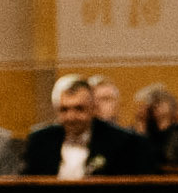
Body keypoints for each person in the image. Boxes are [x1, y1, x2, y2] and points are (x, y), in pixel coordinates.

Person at [24, 74, 152, 176]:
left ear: (93, 108)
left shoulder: (123, 142)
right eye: (64, 110)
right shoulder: (40, 141)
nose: (71, 117)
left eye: (79, 109)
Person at [135, 84, 178, 166]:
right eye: (154, 103)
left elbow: (170, 157)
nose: (156, 106)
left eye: (160, 101)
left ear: (171, 106)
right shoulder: (150, 133)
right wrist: (142, 124)